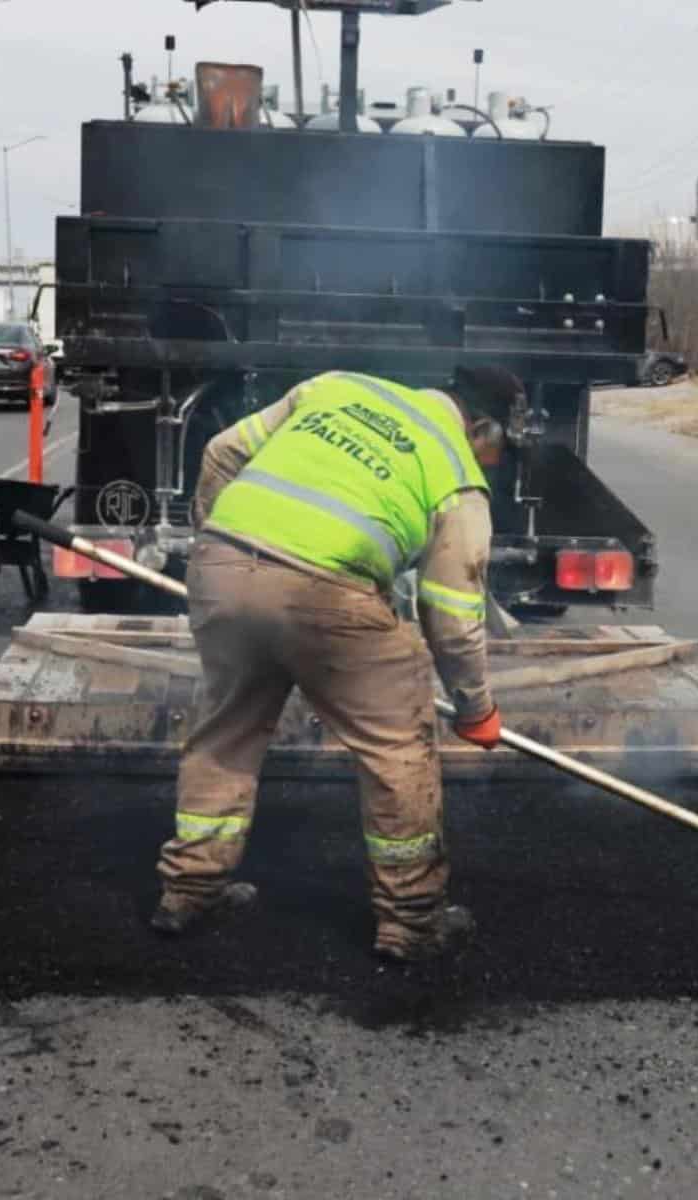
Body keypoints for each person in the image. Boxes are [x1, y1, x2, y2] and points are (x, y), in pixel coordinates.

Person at [153, 367, 518, 962]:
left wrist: (220, 548)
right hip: (326, 592)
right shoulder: (458, 474)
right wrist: (475, 708)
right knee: (397, 746)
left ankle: (190, 888)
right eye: (496, 449)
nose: (492, 463)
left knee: (226, 729)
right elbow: (451, 612)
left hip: (221, 567)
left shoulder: (339, 387)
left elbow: (221, 451)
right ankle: (411, 921)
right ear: (481, 427)